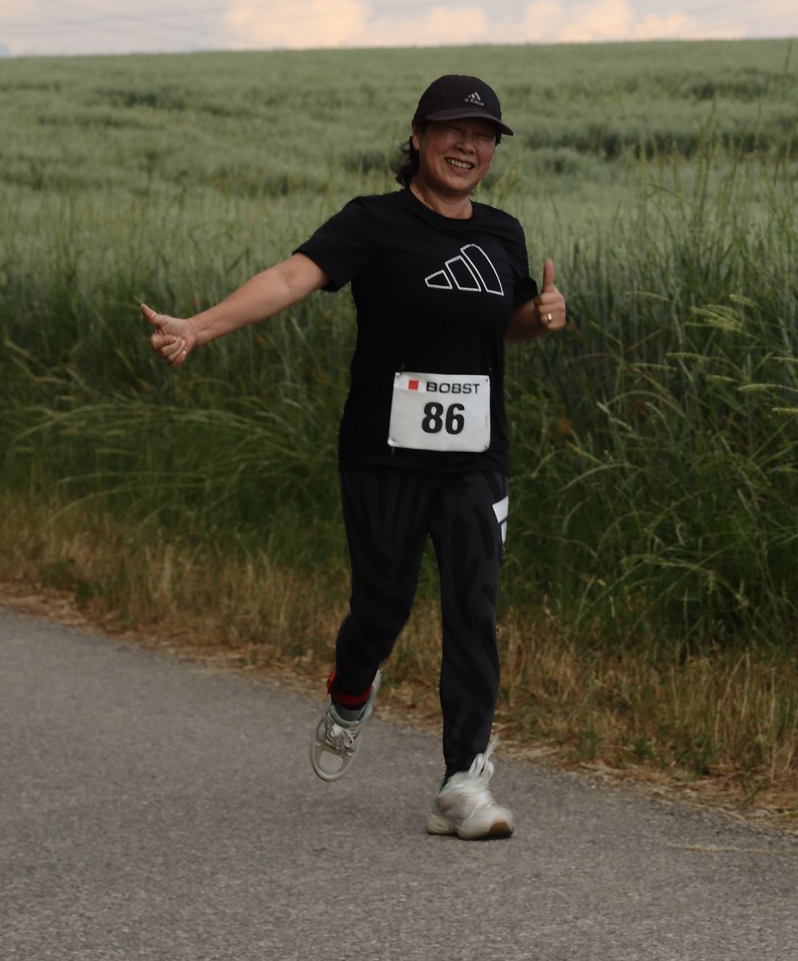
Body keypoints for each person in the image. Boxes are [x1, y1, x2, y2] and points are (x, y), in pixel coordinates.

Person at [141, 73, 567, 839]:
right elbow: (289, 278)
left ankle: (464, 781)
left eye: (483, 136)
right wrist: (198, 327)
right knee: (382, 607)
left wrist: (538, 315)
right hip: (382, 455)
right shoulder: (373, 222)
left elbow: (504, 323)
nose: (467, 146)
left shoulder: (503, 233)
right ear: (418, 136)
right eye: (452, 130)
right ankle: (350, 690)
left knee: (474, 607)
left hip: (476, 458)